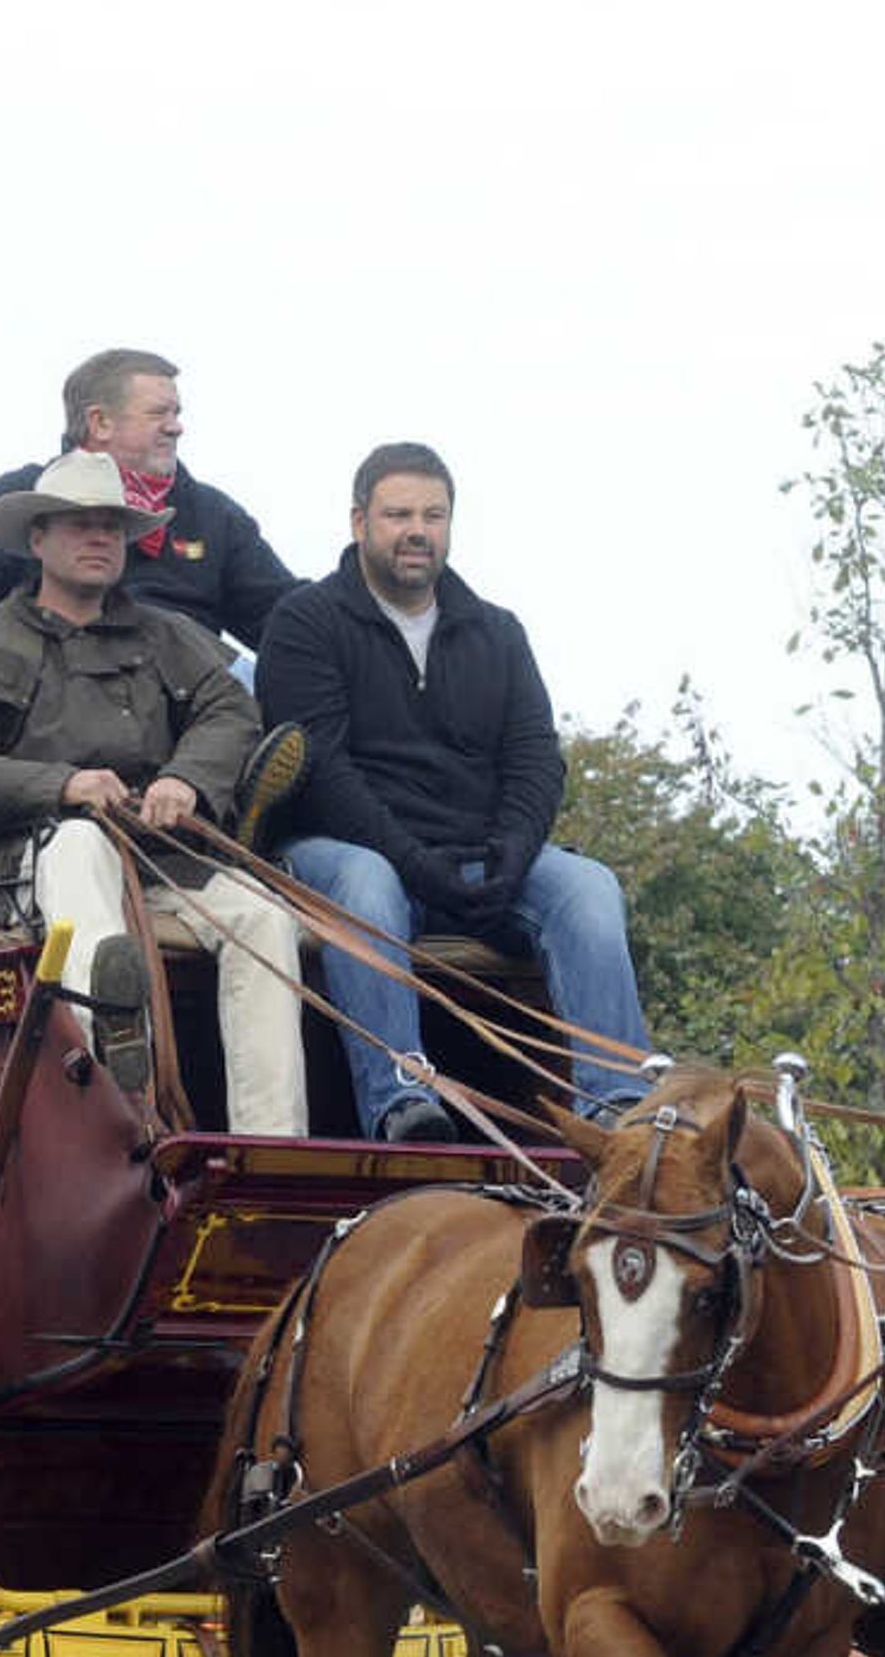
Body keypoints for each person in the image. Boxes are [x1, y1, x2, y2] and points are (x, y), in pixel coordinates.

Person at [256, 442, 654, 1141]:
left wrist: (511, 850)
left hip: (477, 853)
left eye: (433, 515)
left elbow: (535, 758)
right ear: (359, 522)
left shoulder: (496, 631)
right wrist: (419, 863)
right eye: (398, 513)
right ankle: (401, 1097)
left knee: (586, 886)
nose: (417, 530)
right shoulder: (304, 622)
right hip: (349, 849)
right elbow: (323, 771)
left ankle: (619, 1105)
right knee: (365, 879)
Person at [0, 447, 307, 1135]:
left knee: (267, 919)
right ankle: (120, 1097)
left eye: (111, 527)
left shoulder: (168, 636)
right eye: (78, 524)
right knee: (78, 843)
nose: (99, 539)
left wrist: (186, 777)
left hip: (162, 857)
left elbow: (229, 711)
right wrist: (63, 784)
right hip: (28, 860)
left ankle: (271, 1146)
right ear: (37, 540)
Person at [0, 346, 296, 712]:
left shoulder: (211, 515)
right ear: (100, 422)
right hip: (56, 715)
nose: (177, 426)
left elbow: (284, 616)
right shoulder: (23, 498)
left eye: (177, 412)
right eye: (159, 413)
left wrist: (356, 628)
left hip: (187, 714)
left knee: (257, 692)